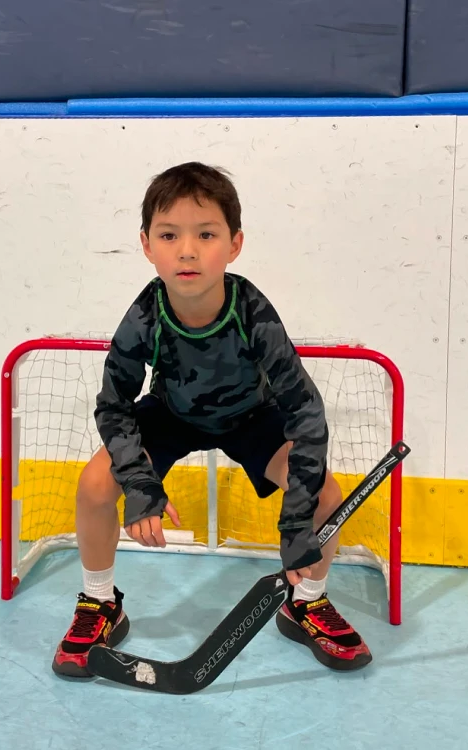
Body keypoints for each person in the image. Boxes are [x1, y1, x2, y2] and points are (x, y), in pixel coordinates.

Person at [52, 162, 371, 678]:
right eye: (169, 234)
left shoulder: (251, 310)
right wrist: (139, 482)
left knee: (325, 495)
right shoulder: (144, 317)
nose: (187, 250)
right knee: (93, 485)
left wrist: (295, 522)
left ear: (235, 243)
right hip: (173, 415)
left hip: (251, 417)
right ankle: (99, 603)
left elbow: (305, 408)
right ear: (146, 244)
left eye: (206, 234)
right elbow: (114, 404)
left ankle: (305, 601)